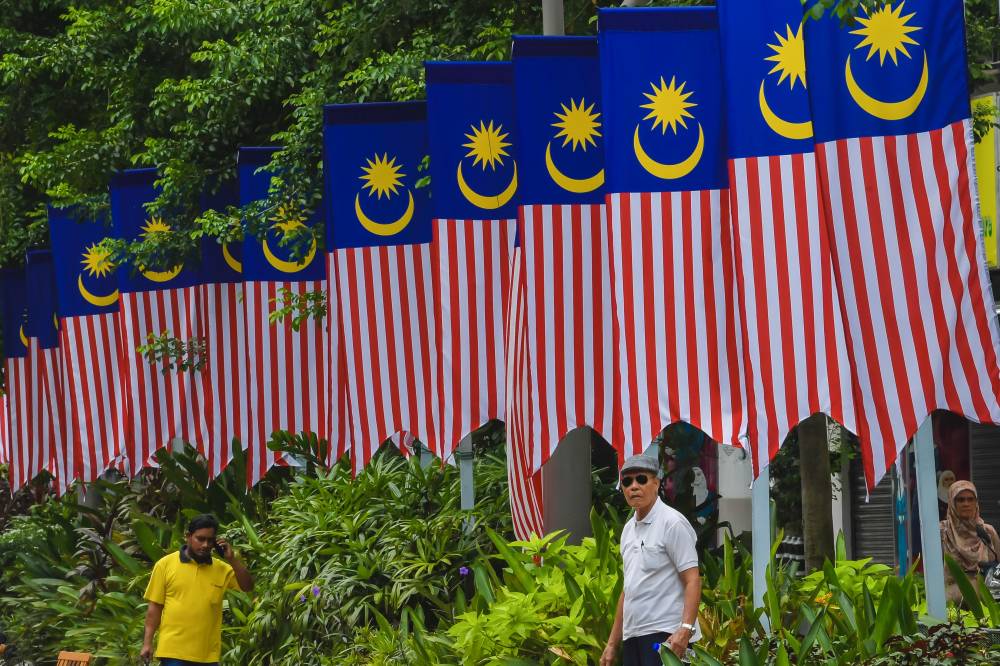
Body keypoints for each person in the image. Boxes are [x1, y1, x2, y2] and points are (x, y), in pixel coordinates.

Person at [601, 454, 702, 666]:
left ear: (656, 483)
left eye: (641, 479)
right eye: (627, 482)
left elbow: (692, 579)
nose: (633, 486)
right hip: (634, 636)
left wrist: (685, 631)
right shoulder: (628, 530)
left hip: (666, 635)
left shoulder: (672, 523)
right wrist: (612, 644)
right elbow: (628, 590)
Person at [140, 514, 254, 665]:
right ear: (188, 536)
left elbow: (248, 586)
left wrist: (232, 559)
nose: (206, 545)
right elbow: (155, 607)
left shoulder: (222, 569)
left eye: (210, 540)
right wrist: (147, 643)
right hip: (173, 652)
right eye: (200, 539)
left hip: (208, 655)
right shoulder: (165, 565)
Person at [940, 480, 1000, 603]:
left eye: (970, 499)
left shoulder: (987, 532)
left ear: (976, 502)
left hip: (987, 602)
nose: (966, 504)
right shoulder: (942, 532)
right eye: (960, 500)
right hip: (952, 602)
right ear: (952, 502)